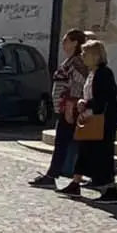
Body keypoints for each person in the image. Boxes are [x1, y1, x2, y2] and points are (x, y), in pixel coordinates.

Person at [63, 39, 117, 203]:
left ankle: (110, 190)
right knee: (84, 151)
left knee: (102, 154)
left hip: (103, 121)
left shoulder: (104, 73)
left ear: (95, 56)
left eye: (85, 53)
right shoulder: (92, 73)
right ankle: (75, 184)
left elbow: (105, 97)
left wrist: (86, 103)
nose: (82, 56)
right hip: (90, 118)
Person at [30, 29, 91, 188]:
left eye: (66, 41)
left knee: (64, 142)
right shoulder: (71, 60)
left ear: (75, 43)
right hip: (64, 109)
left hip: (69, 109)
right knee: (65, 143)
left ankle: (53, 175)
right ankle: (56, 174)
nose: (63, 44)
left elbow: (77, 85)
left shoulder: (77, 62)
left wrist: (70, 106)